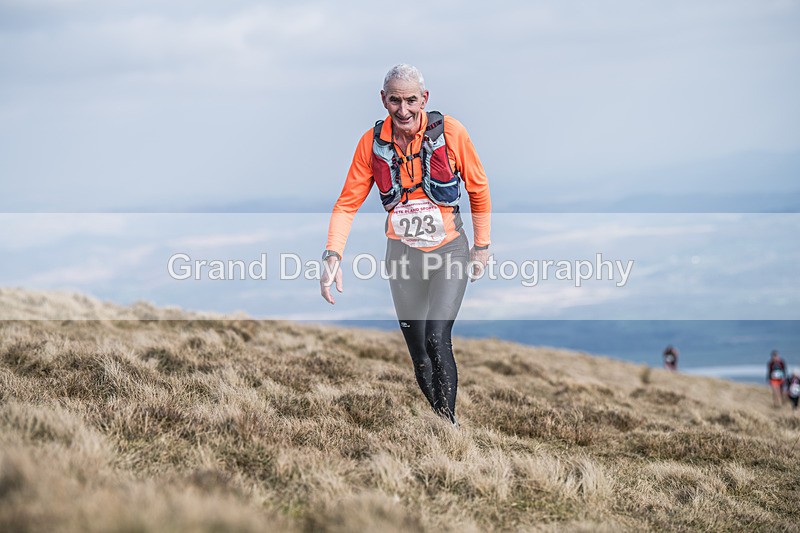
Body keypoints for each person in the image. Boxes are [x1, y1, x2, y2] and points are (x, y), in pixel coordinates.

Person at [320, 64, 491, 426]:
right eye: (395, 100)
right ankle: (443, 422)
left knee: (436, 337)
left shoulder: (452, 132)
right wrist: (332, 254)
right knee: (419, 356)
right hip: (401, 258)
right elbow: (347, 203)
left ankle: (449, 430)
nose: (403, 110)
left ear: (424, 99)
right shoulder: (371, 143)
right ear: (383, 99)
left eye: (411, 100)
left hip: (449, 251)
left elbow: (478, 188)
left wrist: (482, 246)